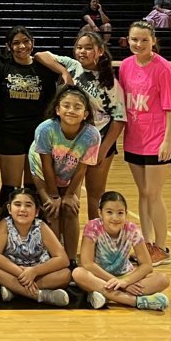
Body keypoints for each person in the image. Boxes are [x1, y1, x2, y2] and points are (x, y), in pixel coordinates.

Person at [35, 31, 125, 221]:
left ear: (100, 51)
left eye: (88, 48)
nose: (82, 51)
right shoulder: (73, 66)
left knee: (95, 195)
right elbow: (40, 55)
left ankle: (94, 238)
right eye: (79, 47)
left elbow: (119, 120)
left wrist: (103, 150)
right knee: (70, 194)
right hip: (69, 144)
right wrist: (64, 71)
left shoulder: (110, 83)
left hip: (97, 143)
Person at [0, 25, 68, 218]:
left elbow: (51, 106)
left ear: (33, 43)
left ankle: (34, 234)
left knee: (34, 190)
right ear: (8, 46)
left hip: (37, 136)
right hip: (10, 134)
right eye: (16, 43)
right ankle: (2, 231)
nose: (21, 46)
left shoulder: (44, 70)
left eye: (26, 41)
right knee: (10, 190)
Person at [119, 20, 171, 267]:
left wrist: (167, 141)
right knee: (142, 194)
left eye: (144, 39)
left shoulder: (164, 69)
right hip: (134, 139)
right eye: (134, 39)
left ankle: (161, 248)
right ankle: (146, 244)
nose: (138, 44)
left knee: (154, 194)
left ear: (153, 40)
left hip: (157, 141)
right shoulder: (125, 66)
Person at [28, 85, 101, 262]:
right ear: (57, 110)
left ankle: (70, 260)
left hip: (70, 173)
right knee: (53, 210)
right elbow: (46, 165)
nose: (71, 110)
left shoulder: (92, 135)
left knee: (71, 209)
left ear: (85, 114)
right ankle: (55, 259)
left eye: (77, 107)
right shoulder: (46, 129)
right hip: (42, 173)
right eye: (66, 106)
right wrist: (53, 195)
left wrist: (69, 195)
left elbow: (82, 169)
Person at [72, 191, 170, 311]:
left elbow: (147, 265)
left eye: (120, 213)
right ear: (100, 213)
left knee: (162, 279)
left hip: (124, 276)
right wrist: (119, 283)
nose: (115, 218)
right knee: (78, 273)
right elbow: (87, 264)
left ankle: (104, 295)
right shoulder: (93, 227)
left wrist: (126, 281)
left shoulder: (132, 230)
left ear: (126, 214)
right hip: (100, 277)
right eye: (109, 212)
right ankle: (135, 301)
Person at [0, 188, 72, 307]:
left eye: (28, 205)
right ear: (9, 209)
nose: (22, 209)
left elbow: (63, 259)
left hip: (37, 273)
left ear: (36, 211)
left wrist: (34, 271)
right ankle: (42, 296)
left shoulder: (41, 226)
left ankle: (14, 290)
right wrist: (22, 273)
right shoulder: (4, 225)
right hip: (13, 272)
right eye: (17, 204)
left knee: (65, 274)